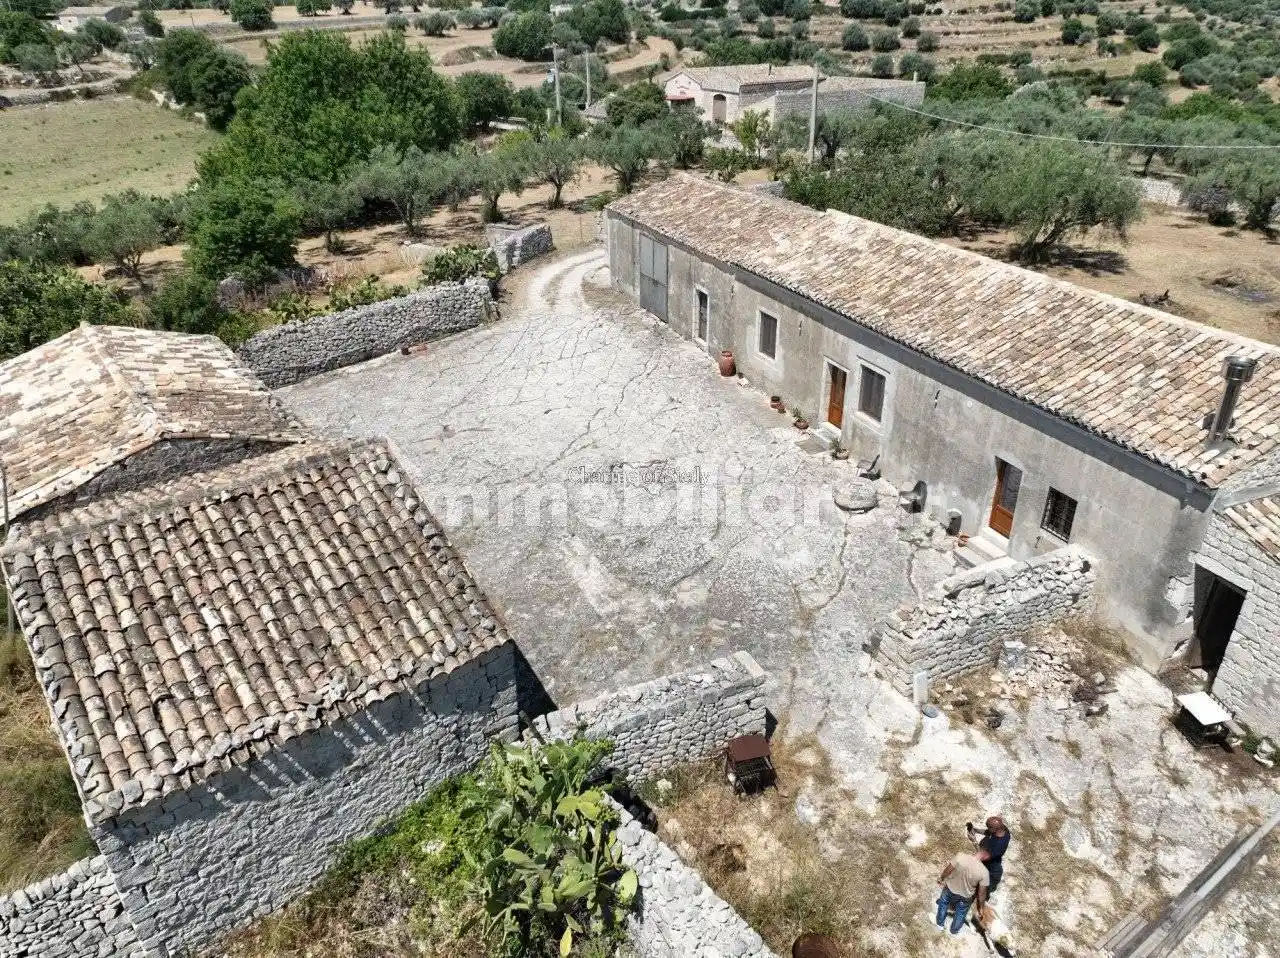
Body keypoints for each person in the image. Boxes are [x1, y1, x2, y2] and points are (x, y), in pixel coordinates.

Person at [936, 848, 990, 935]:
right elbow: (981, 893)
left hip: (950, 889)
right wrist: (981, 908)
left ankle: (940, 924)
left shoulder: (960, 856)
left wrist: (941, 878)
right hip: (965, 896)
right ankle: (954, 930)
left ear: (977, 851)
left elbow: (948, 870)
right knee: (960, 913)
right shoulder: (984, 872)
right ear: (986, 858)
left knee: (943, 904)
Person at [968, 816, 1012, 895]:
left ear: (995, 829)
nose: (987, 829)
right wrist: (975, 830)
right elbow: (989, 832)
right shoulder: (1003, 829)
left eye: (989, 827)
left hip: (991, 867)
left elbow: (982, 856)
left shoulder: (998, 846)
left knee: (985, 886)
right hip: (990, 862)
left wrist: (973, 840)